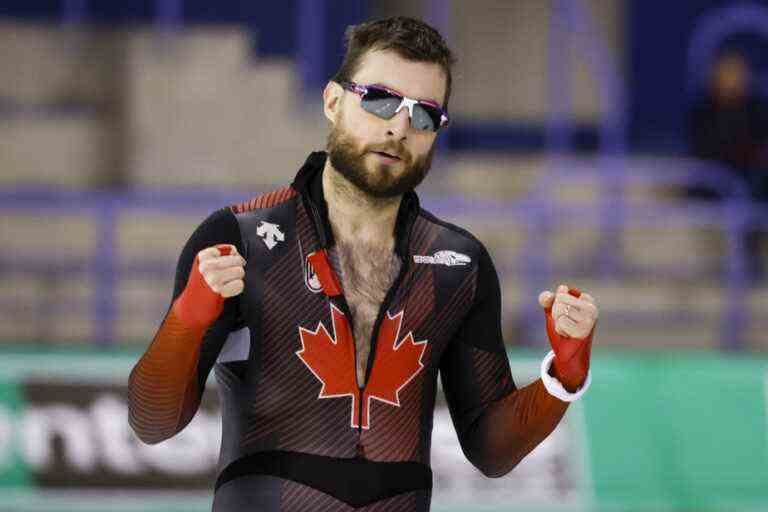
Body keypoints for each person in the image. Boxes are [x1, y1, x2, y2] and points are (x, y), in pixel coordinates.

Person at [127, 16, 599, 511]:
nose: (399, 125)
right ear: (333, 101)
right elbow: (153, 423)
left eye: (424, 115)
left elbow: (491, 451)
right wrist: (185, 321)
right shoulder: (239, 239)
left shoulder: (459, 266)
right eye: (380, 99)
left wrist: (561, 379)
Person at [688, 50, 768, 278]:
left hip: (751, 181)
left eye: (737, 73)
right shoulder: (703, 110)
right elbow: (704, 150)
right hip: (714, 181)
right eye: (726, 74)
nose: (732, 79)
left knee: (753, 190)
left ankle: (749, 259)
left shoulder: (757, 109)